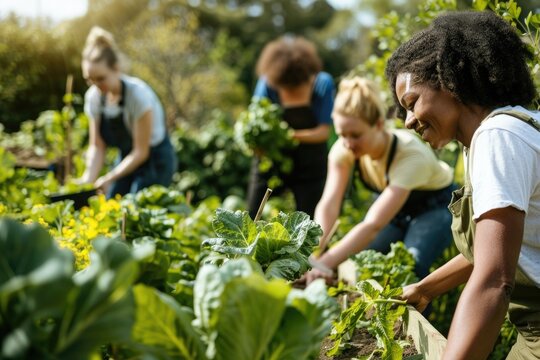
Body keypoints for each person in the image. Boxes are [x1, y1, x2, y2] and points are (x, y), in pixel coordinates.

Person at [385, 10, 540, 359]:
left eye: (412, 103)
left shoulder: (497, 137)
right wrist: (427, 288)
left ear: (449, 81)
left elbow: (494, 279)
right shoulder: (492, 137)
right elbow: (496, 246)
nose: (408, 121)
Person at [305, 76, 455, 283]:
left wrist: (325, 263)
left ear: (378, 124)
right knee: (363, 261)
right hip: (396, 210)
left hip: (433, 208)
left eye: (355, 135)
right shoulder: (344, 149)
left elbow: (373, 225)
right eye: (342, 134)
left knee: (411, 266)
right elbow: (329, 204)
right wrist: (315, 253)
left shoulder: (410, 155)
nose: (347, 143)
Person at [79, 26, 176, 197]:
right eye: (90, 80)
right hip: (127, 157)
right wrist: (87, 180)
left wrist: (109, 177)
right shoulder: (94, 97)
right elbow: (97, 146)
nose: (95, 85)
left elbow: (141, 151)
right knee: (113, 202)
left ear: (116, 69)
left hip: (155, 158)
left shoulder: (138, 96)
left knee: (140, 211)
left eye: (101, 78)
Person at [246, 35, 335, 219]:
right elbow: (255, 124)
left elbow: (323, 132)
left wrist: (288, 136)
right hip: (273, 162)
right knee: (252, 215)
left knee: (309, 221)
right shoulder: (267, 83)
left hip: (310, 163)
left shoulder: (322, 84)